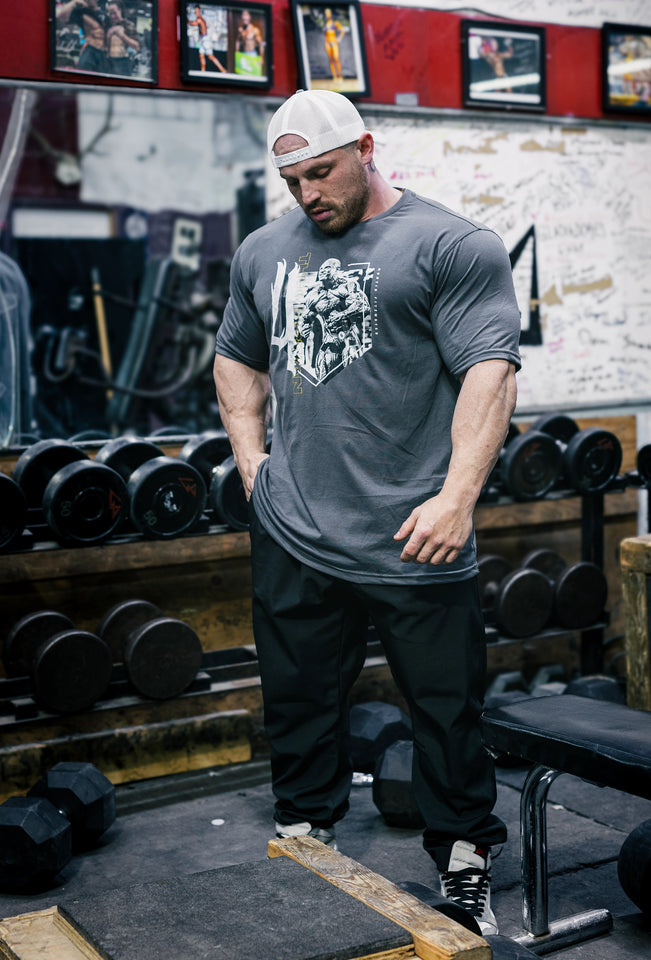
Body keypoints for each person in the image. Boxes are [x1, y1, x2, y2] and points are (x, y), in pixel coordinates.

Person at [214, 89, 521, 937]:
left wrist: (457, 498)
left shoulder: (451, 244)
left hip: (414, 532)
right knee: (298, 697)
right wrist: (253, 465)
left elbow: (491, 374)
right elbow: (235, 357)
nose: (309, 194)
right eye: (292, 179)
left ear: (366, 148)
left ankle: (463, 858)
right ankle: (305, 829)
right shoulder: (263, 251)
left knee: (446, 710)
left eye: (322, 172)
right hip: (296, 529)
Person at [56, 0, 110, 74]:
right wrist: (74, 2)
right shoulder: (81, 13)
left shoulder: (105, 15)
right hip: (90, 50)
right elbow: (61, 16)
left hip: (103, 53)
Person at [188, 5, 227, 73]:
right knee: (201, 55)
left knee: (210, 56)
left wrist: (186, 19)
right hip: (203, 39)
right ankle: (203, 71)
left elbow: (192, 24)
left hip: (206, 39)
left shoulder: (199, 19)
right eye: (195, 11)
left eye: (197, 11)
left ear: (199, 11)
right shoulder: (199, 19)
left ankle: (223, 70)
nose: (196, 13)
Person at [106, 1, 140, 76]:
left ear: (120, 10)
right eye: (110, 13)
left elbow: (137, 46)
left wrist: (122, 35)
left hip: (123, 64)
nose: (112, 16)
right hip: (109, 62)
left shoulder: (128, 25)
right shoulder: (108, 25)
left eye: (114, 13)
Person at [323, 8, 344, 81]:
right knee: (331, 60)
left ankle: (340, 76)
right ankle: (334, 77)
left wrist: (339, 39)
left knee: (336, 58)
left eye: (328, 13)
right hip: (328, 43)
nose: (327, 15)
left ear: (330, 14)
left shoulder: (335, 23)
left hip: (334, 42)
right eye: (326, 14)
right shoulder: (326, 24)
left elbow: (342, 31)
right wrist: (325, 44)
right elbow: (326, 35)